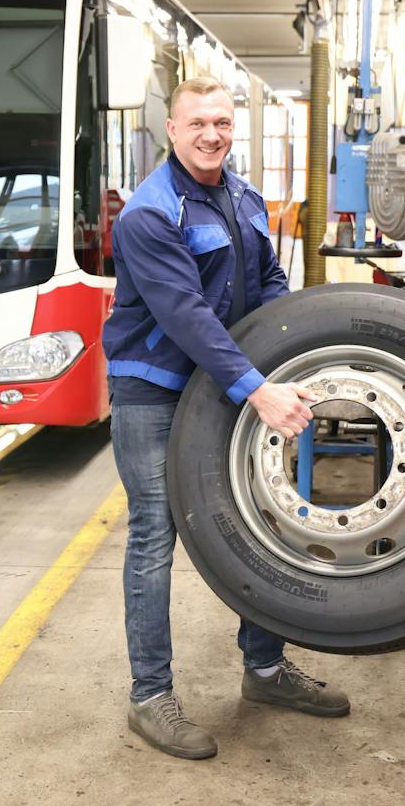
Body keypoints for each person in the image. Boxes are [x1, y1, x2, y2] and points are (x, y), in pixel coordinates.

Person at [102, 76, 351, 761]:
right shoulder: (149, 213)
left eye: (221, 121)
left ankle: (264, 669)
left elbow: (267, 281)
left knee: (258, 521)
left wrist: (289, 351)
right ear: (172, 131)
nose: (211, 133)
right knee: (156, 536)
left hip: (223, 388)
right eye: (198, 123)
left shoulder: (241, 195)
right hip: (156, 391)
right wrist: (257, 388)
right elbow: (186, 315)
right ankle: (150, 696)